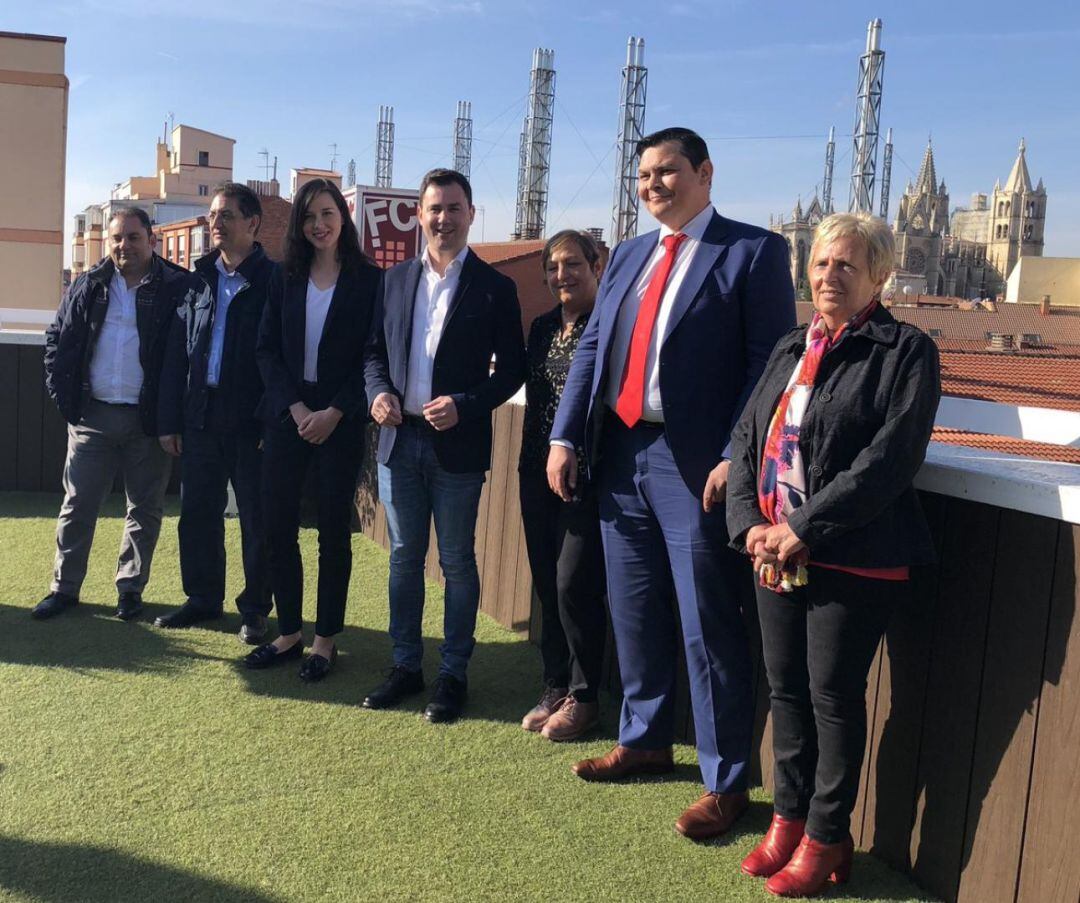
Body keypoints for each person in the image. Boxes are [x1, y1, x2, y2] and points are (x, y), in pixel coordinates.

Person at [547, 127, 794, 839]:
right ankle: (645, 736)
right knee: (634, 607)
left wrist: (732, 453)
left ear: (705, 173)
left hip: (698, 468)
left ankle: (726, 781)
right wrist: (565, 434)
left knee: (706, 621)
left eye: (668, 171)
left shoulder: (752, 252)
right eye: (644, 175)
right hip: (621, 455)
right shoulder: (626, 254)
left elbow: (767, 366)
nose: (654, 185)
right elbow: (592, 347)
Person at [726, 212, 940, 897]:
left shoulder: (904, 351)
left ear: (880, 273)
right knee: (785, 688)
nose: (829, 276)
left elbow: (891, 458)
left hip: (854, 553)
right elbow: (745, 439)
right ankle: (789, 819)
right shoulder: (793, 346)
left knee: (832, 698)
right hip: (773, 548)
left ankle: (826, 835)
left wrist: (805, 526)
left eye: (847, 265)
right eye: (820, 264)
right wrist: (748, 526)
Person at [363, 168, 526, 724]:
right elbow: (372, 356)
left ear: (470, 215)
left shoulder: (495, 288)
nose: (442, 218)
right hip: (398, 441)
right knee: (405, 559)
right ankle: (406, 666)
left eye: (453, 208)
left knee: (457, 560)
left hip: (457, 447)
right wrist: (378, 393)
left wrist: (466, 403)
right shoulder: (394, 281)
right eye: (434, 208)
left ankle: (452, 674)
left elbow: (511, 374)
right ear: (419, 215)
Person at [34, 208, 199, 621]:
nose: (124, 246)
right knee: (78, 504)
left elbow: (188, 354)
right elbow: (58, 339)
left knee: (144, 509)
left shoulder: (178, 286)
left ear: (151, 239)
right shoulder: (89, 284)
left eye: (133, 237)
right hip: (92, 416)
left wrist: (169, 419)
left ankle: (130, 589)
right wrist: (66, 398)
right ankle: (64, 588)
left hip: (148, 421)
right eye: (117, 239)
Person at [246, 178, 381, 680]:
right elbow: (266, 350)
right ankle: (289, 633)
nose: (318, 225)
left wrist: (336, 412)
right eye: (309, 217)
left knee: (331, 534)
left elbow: (373, 353)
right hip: (288, 416)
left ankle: (324, 641)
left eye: (326, 214)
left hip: (339, 422)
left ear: (342, 218)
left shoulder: (369, 280)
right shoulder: (284, 277)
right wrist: (298, 409)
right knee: (277, 526)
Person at [155, 183, 278, 643]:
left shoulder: (275, 283)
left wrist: (271, 420)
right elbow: (176, 356)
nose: (216, 223)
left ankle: (254, 609)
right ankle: (203, 599)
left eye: (226, 215)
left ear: (252, 224)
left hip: (251, 422)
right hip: (200, 417)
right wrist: (171, 421)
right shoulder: (198, 280)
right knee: (198, 513)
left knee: (255, 519)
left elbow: (282, 359)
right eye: (212, 215)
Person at [518, 230, 608, 741]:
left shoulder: (610, 323)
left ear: (596, 265)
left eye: (573, 264)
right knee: (545, 581)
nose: (561, 276)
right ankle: (553, 684)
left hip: (586, 476)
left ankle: (584, 694)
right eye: (553, 267)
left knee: (574, 582)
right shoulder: (543, 327)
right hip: (534, 468)